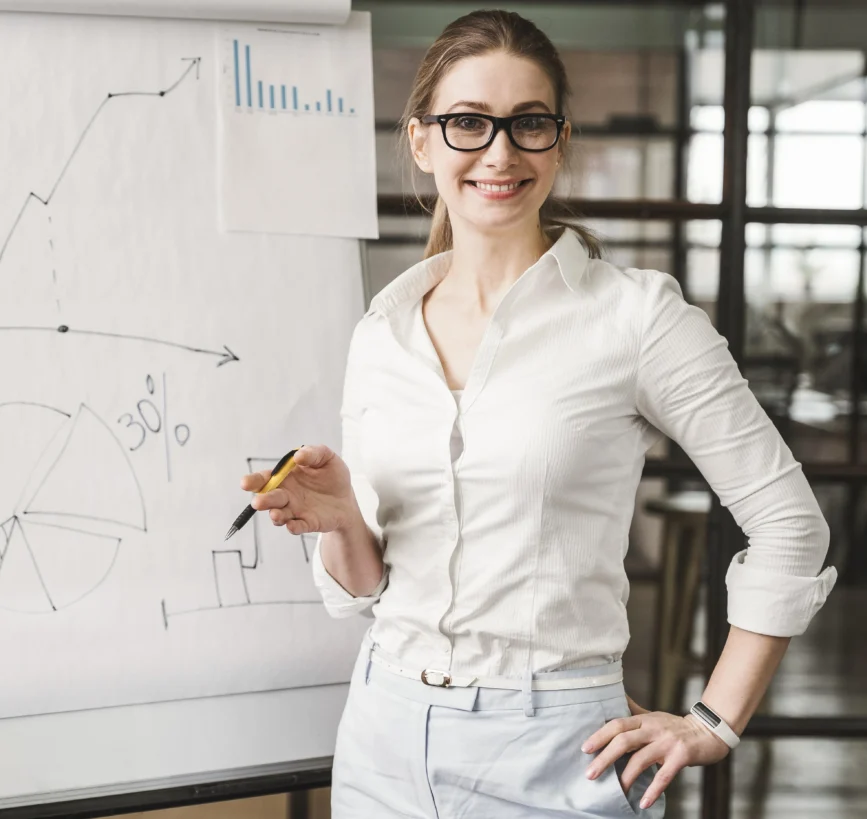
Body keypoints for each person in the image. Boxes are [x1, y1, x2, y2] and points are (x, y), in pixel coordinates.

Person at [241, 9, 836, 818]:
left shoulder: (636, 318)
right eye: (467, 123)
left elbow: (790, 524)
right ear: (421, 141)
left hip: (555, 748)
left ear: (559, 139)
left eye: (528, 123)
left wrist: (713, 721)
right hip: (381, 736)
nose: (499, 152)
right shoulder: (381, 333)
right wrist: (344, 520)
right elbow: (367, 590)